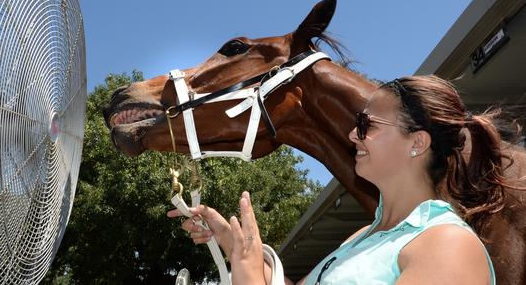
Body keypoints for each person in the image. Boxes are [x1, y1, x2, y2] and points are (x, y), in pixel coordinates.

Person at [167, 75, 516, 284]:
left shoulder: (447, 246)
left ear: (417, 142)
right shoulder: (363, 236)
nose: (352, 134)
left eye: (367, 125)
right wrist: (237, 248)